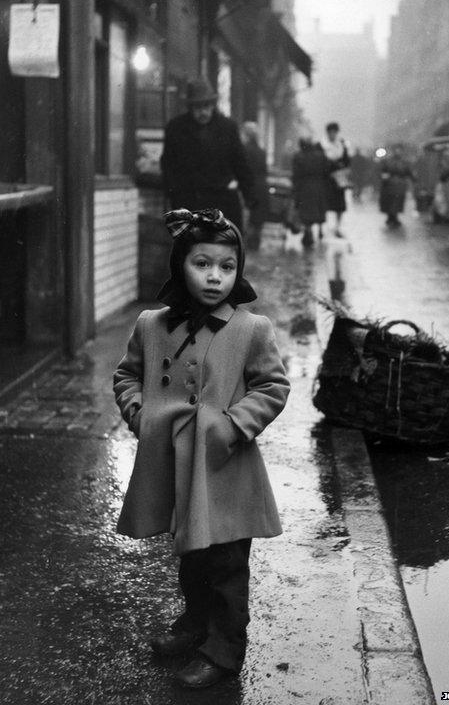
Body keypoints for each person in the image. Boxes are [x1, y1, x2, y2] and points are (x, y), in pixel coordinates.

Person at [113, 207, 289, 689]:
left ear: (238, 270)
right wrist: (139, 413)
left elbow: (272, 387)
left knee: (227, 563)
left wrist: (233, 426)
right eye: (202, 264)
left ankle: (223, 650)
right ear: (180, 266)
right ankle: (193, 627)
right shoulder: (151, 325)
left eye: (227, 267)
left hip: (225, 467)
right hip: (174, 465)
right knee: (191, 555)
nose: (215, 277)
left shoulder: (252, 329)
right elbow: (127, 376)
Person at [161, 78, 255, 231]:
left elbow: (240, 163)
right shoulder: (176, 129)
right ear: (190, 108)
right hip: (189, 204)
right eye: (197, 107)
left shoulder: (228, 128)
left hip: (222, 204)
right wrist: (174, 197)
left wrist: (249, 195)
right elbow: (168, 166)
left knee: (226, 249)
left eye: (206, 106)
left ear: (213, 105)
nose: (202, 112)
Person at [291, 137, 328, 247]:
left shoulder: (298, 157)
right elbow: (326, 171)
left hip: (304, 187)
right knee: (317, 210)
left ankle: (308, 231)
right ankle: (318, 230)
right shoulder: (321, 156)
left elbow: (296, 174)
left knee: (306, 211)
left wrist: (295, 187)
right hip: (318, 186)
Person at [240, 121, 269, 250]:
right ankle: (255, 241)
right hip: (261, 186)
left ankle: (246, 243)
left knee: (247, 215)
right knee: (257, 217)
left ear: (246, 135)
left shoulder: (243, 150)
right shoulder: (261, 151)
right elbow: (264, 170)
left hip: (249, 186)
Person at [321, 121, 350, 237]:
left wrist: (343, 169)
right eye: (330, 132)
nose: (332, 135)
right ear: (327, 133)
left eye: (334, 132)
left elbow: (347, 161)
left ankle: (337, 226)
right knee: (324, 204)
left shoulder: (342, 145)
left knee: (339, 205)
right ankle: (323, 226)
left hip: (338, 180)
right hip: (326, 179)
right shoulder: (321, 145)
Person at [378, 142, 413, 227]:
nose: (398, 151)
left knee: (398, 202)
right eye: (396, 150)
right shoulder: (387, 161)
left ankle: (395, 217)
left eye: (399, 150)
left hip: (400, 185)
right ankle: (391, 217)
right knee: (390, 202)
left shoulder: (404, 162)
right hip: (390, 185)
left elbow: (408, 172)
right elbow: (383, 171)